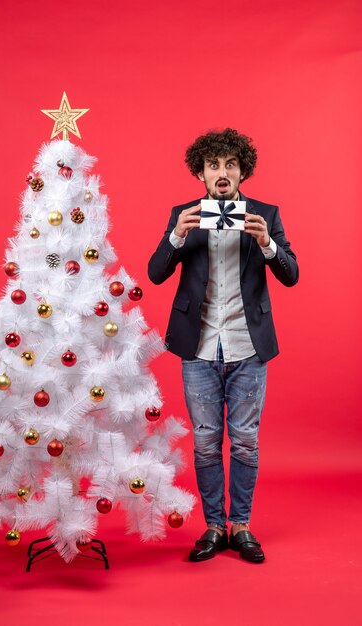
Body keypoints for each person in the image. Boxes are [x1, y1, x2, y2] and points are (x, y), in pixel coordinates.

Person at [148, 128, 298, 563]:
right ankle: (214, 526)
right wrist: (176, 234)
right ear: (200, 172)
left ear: (242, 171)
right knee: (206, 440)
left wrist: (268, 244)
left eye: (230, 164)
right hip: (198, 349)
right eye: (213, 164)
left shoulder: (265, 214)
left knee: (246, 441)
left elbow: (291, 275)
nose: (222, 172)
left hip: (248, 347)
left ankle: (242, 526)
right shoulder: (184, 214)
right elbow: (156, 273)